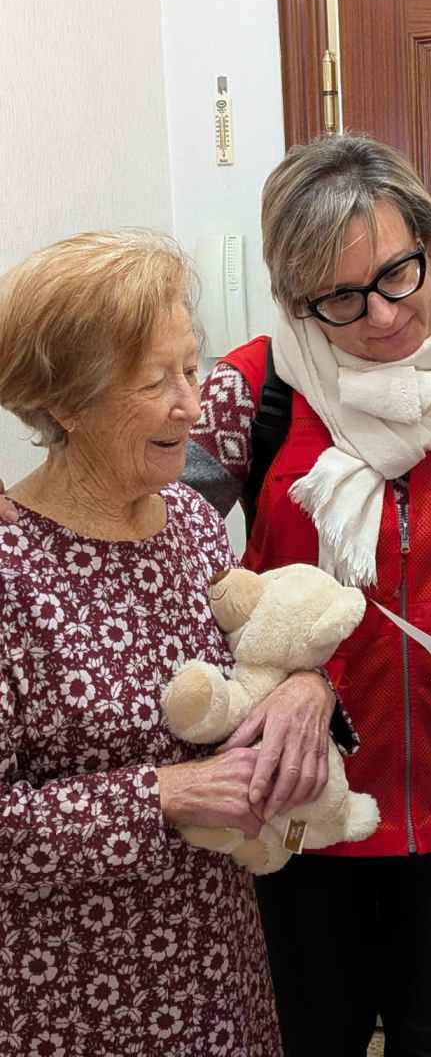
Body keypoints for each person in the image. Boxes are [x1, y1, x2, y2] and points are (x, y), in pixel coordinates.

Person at [182, 133, 431, 1057]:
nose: (385, 316)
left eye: (400, 273)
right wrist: (273, 681)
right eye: (341, 299)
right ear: (292, 298)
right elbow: (172, 572)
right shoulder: (251, 390)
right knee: (315, 1031)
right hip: (305, 785)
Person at [0, 231, 291, 1055]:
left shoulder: (195, 524)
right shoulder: (10, 567)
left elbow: (252, 669)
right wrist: (164, 794)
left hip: (220, 968)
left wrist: (304, 689)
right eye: (153, 381)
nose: (190, 404)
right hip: (73, 1000)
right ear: (64, 400)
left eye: (191, 369)